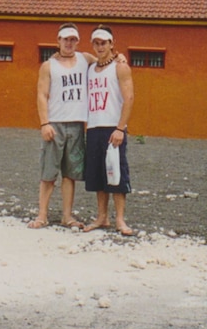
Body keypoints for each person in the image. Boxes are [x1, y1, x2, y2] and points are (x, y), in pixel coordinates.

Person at [28, 23, 93, 229]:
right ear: (58, 41)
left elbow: (105, 61)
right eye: (66, 39)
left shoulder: (85, 59)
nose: (69, 43)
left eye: (73, 39)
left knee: (70, 174)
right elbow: (42, 94)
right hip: (55, 124)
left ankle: (67, 215)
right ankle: (42, 215)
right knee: (48, 173)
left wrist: (119, 57)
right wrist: (44, 123)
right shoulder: (49, 65)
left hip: (76, 124)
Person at [83, 25, 136, 236]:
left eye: (103, 43)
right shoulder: (90, 67)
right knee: (98, 174)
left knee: (117, 173)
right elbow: (77, 55)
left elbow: (129, 98)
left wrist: (120, 128)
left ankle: (120, 220)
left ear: (112, 44)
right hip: (94, 126)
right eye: (96, 43)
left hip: (113, 128)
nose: (99, 47)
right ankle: (102, 216)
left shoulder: (120, 67)